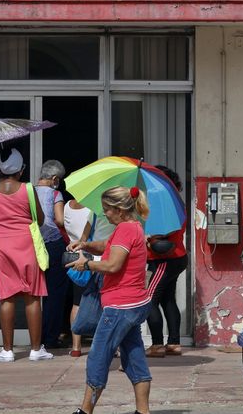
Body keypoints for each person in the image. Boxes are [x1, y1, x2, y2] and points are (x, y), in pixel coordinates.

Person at [66, 186, 160, 414]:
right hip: (133, 304)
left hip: (120, 306)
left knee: (98, 356)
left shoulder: (126, 230)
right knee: (134, 356)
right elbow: (108, 247)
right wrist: (86, 244)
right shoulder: (132, 227)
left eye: (107, 209)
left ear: (119, 209)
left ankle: (85, 411)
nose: (105, 214)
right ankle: (143, 411)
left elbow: (112, 265)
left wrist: (86, 264)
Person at [0, 148, 53, 362]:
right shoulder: (28, 189)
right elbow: (39, 219)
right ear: (20, 171)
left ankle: (7, 350)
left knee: (7, 296)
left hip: (1, 246)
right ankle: (35, 349)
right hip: (26, 244)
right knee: (32, 297)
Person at [144, 165, 188, 358]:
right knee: (167, 299)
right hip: (176, 257)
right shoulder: (176, 201)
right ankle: (174, 343)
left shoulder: (163, 203)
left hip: (163, 259)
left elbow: (161, 233)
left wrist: (148, 236)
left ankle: (156, 345)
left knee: (149, 300)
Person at [35, 159, 70, 349]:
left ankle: (34, 337)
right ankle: (50, 337)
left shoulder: (28, 192)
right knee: (54, 293)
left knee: (33, 294)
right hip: (53, 245)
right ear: (55, 178)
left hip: (32, 245)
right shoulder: (55, 193)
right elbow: (60, 220)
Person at [64, 195, 92, 358]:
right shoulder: (94, 209)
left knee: (77, 302)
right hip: (94, 256)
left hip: (75, 257)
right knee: (103, 301)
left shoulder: (67, 206)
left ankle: (76, 346)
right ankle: (112, 345)